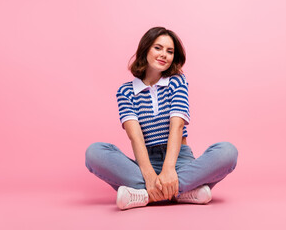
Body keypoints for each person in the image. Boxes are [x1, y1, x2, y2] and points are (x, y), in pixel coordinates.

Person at [85, 26, 238, 210]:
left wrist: (168, 170)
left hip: (179, 160)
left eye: (170, 51)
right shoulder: (125, 91)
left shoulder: (177, 81)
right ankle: (183, 193)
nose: (164, 54)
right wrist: (149, 175)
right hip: (144, 164)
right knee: (94, 152)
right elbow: (135, 136)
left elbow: (177, 126)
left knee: (227, 152)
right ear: (146, 49)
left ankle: (144, 195)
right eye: (158, 48)